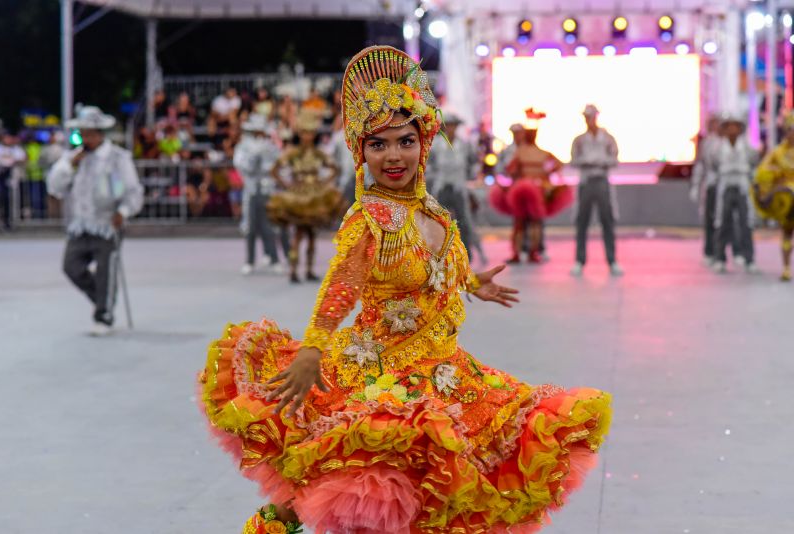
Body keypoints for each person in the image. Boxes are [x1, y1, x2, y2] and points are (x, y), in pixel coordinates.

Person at [199, 45, 611, 534]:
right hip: (379, 376)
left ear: (424, 142)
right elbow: (340, 288)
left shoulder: (432, 211)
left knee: (437, 501)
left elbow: (434, 269)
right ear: (361, 152)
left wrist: (471, 282)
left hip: (443, 372)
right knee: (319, 495)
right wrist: (313, 347)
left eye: (404, 141)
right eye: (378, 145)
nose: (393, 155)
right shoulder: (370, 219)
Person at [47, 106, 144, 335]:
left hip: (108, 223)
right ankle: (102, 299)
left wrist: (124, 211)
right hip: (81, 224)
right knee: (71, 267)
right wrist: (71, 165)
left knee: (105, 270)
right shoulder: (73, 158)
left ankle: (104, 315)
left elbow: (131, 190)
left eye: (90, 133)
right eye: (82, 133)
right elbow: (55, 186)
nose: (85, 137)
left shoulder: (117, 158)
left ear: (100, 133)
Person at [268, 110, 344, 283]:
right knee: (298, 234)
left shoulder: (318, 153)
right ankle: (294, 270)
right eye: (304, 132)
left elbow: (334, 169)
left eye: (310, 132)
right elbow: (275, 170)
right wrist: (288, 185)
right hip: (299, 197)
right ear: (299, 133)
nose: (307, 136)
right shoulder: (294, 153)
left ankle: (308, 269)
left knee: (310, 235)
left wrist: (323, 183)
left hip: (314, 196)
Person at [490, 109, 571, 264]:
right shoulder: (535, 152)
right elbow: (510, 170)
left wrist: (542, 174)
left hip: (527, 189)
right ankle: (527, 252)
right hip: (528, 189)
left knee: (526, 222)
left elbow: (510, 170)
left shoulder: (525, 152)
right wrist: (545, 174)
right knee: (528, 221)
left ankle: (526, 252)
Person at [570, 104, 623, 276]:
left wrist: (600, 161)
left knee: (607, 220)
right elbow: (573, 160)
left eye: (591, 116)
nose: (589, 120)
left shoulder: (607, 138)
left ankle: (612, 260)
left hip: (601, 180)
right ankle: (580, 260)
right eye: (586, 117)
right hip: (586, 182)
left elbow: (615, 159)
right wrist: (586, 161)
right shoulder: (579, 140)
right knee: (582, 221)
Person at [426, 112, 486, 264]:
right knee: (439, 221)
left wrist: (471, 175)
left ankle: (467, 253)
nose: (451, 129)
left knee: (464, 221)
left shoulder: (464, 144)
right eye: (449, 126)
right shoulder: (436, 144)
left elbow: (474, 162)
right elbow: (428, 163)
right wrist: (432, 175)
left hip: (459, 187)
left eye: (454, 126)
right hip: (441, 186)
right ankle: (440, 253)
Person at [234, 114, 288, 275]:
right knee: (250, 226)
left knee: (269, 226)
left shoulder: (270, 146)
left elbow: (277, 166)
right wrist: (253, 160)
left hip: (267, 190)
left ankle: (274, 259)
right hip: (251, 190)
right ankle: (249, 261)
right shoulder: (243, 146)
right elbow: (241, 165)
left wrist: (267, 168)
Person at [711, 114, 760, 274]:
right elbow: (713, 165)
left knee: (746, 223)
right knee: (722, 223)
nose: (732, 129)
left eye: (735, 126)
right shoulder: (718, 147)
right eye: (729, 126)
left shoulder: (746, 147)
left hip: (742, 186)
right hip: (725, 186)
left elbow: (754, 163)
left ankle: (749, 258)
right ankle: (720, 258)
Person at [690, 114, 739, 265]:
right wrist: (696, 185)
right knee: (711, 220)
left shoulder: (730, 142)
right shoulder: (708, 143)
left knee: (730, 220)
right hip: (712, 186)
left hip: (727, 185)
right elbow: (701, 165)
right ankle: (710, 252)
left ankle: (733, 253)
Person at [754, 112, 794, 281]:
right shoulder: (778, 153)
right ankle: (786, 268)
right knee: (786, 233)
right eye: (790, 129)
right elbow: (763, 172)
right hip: (788, 201)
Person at [0, 132, 26, 229]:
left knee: (11, 199)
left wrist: (13, 162)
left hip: (12, 177)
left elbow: (23, 158)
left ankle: (8, 221)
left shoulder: (15, 149)